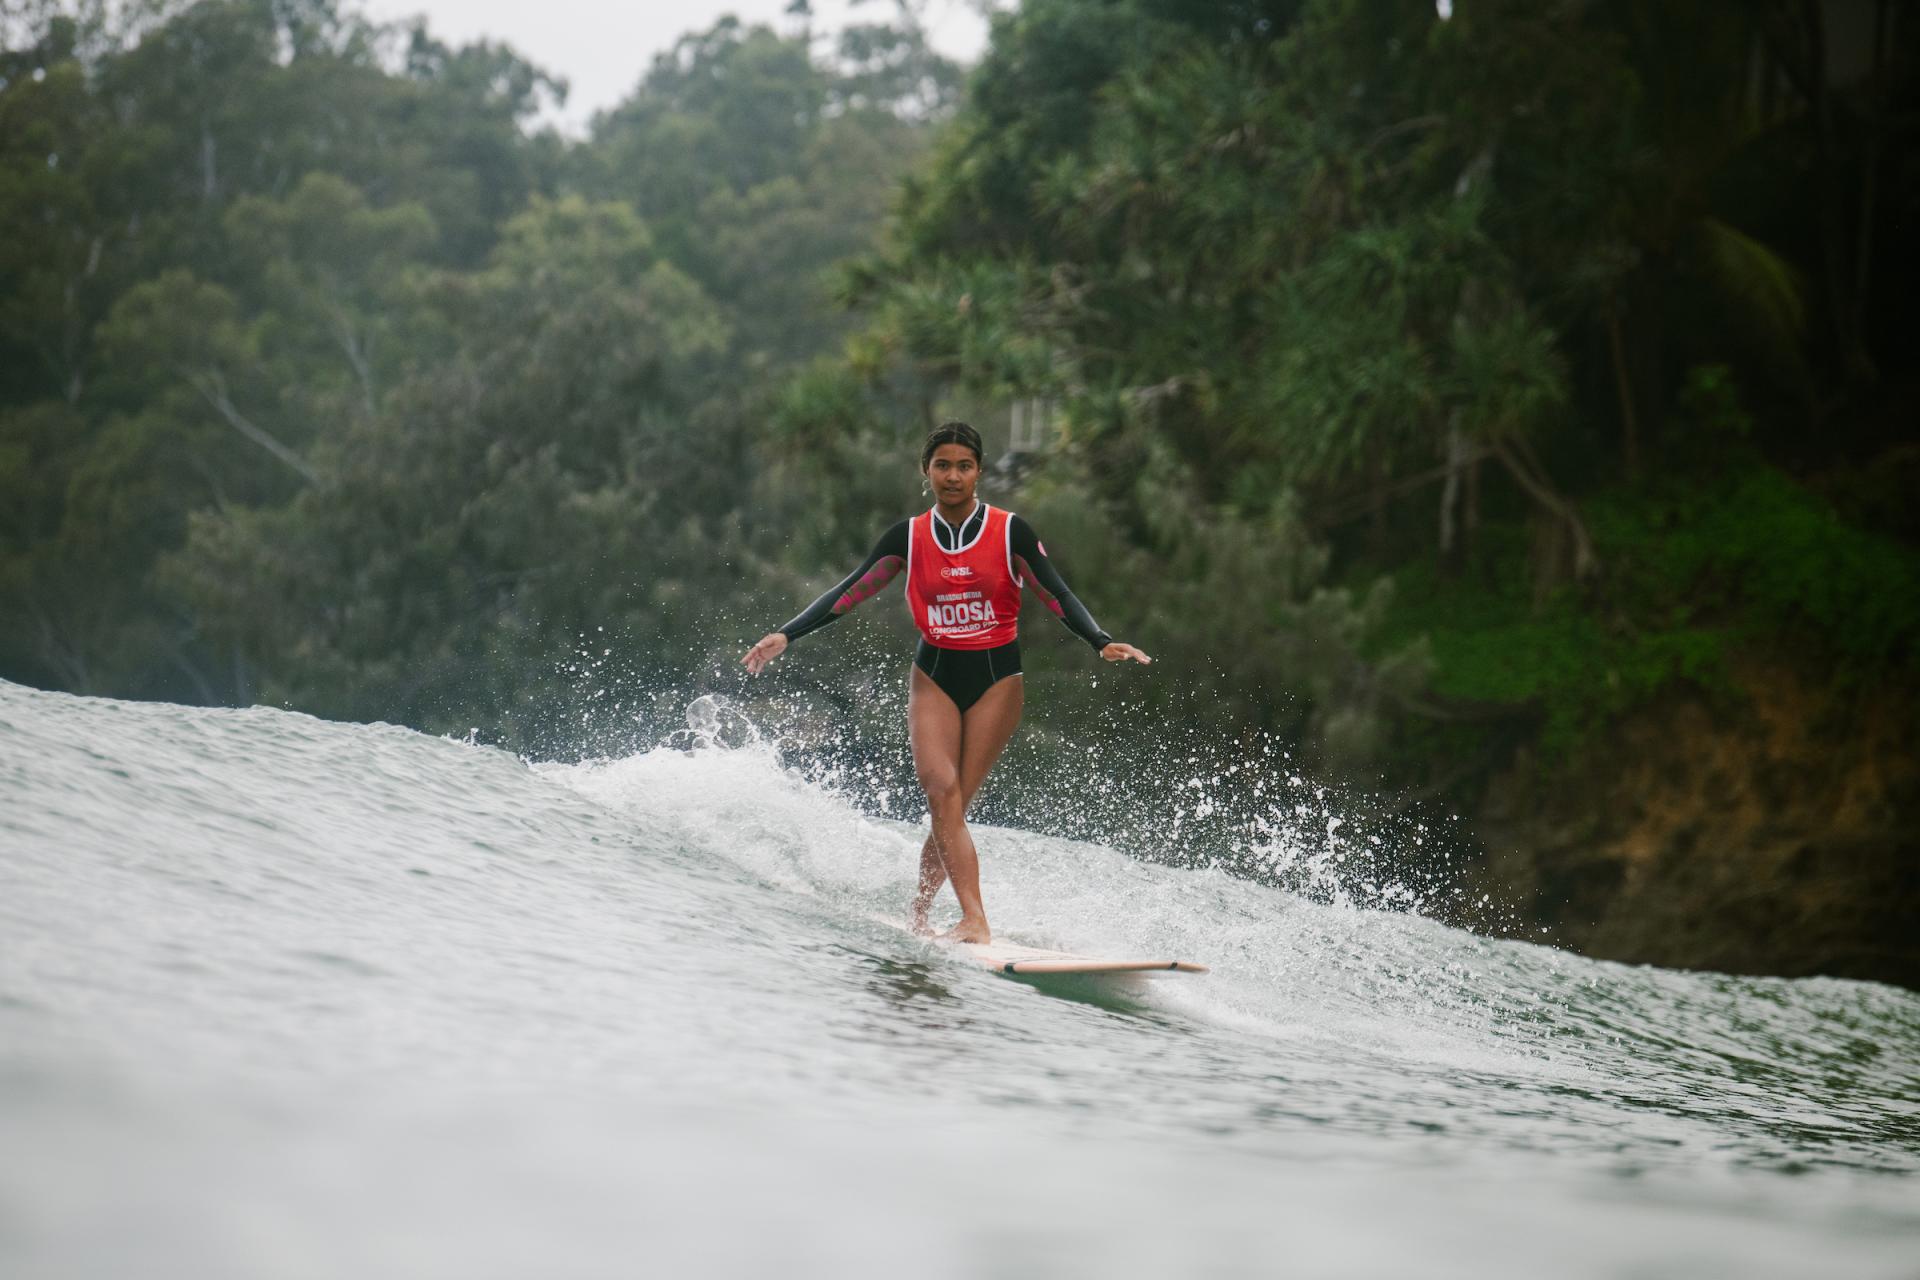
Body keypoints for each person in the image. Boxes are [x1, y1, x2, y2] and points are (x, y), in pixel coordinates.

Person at [742, 421, 1150, 944]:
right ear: (926, 471)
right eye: (942, 465)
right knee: (941, 794)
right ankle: (950, 916)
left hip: (997, 679)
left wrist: (1099, 640)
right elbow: (849, 591)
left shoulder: (1009, 531)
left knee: (955, 801)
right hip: (933, 674)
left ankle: (952, 915)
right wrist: (786, 635)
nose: (952, 476)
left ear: (978, 471)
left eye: (963, 466)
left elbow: (1057, 593)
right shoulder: (906, 538)